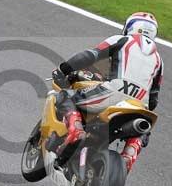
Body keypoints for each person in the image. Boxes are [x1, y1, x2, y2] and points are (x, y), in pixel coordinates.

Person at [52, 12, 162, 173]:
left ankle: (76, 131)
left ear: (130, 27)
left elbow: (89, 56)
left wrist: (64, 69)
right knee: (143, 130)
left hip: (112, 93)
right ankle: (129, 153)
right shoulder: (159, 60)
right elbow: (153, 99)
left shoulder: (122, 39)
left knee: (66, 96)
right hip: (140, 105)